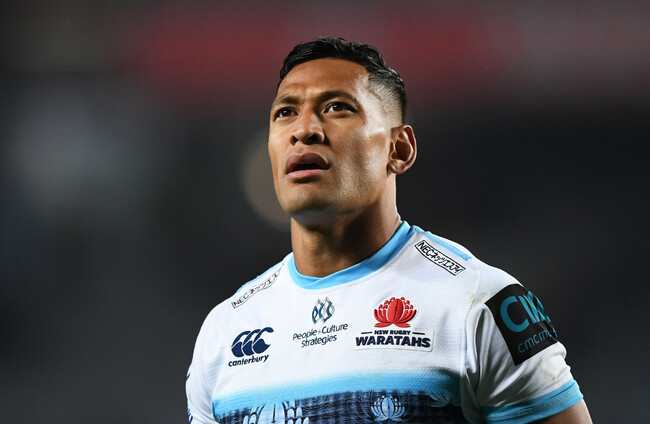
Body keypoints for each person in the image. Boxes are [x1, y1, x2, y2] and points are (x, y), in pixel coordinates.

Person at [186, 37, 592, 424]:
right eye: (285, 113)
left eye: (337, 107)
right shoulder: (224, 333)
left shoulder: (480, 304)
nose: (304, 129)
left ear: (399, 149)